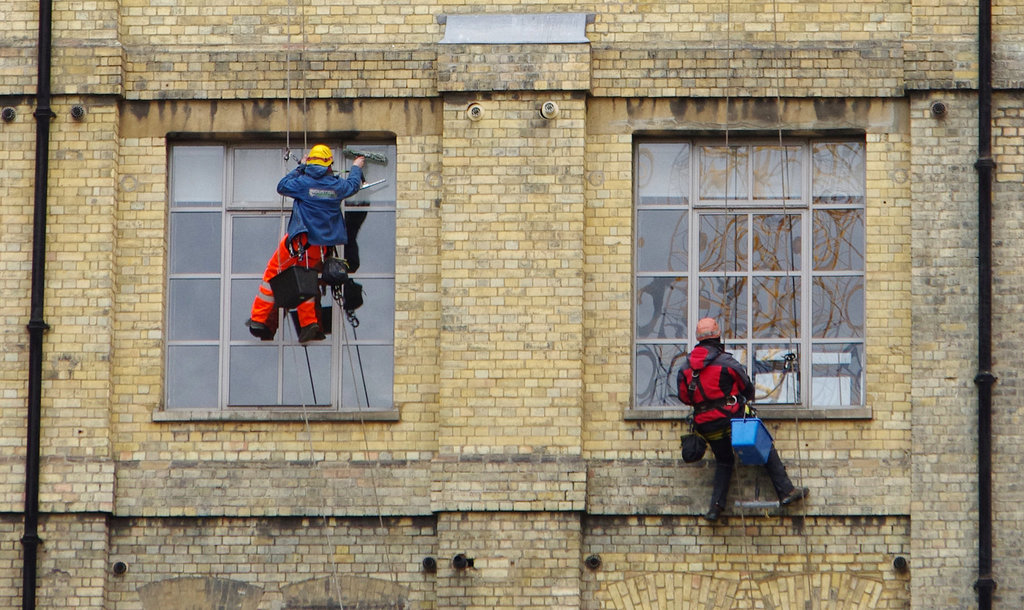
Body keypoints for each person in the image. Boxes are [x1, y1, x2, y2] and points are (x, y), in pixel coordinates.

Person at [677, 317, 808, 522]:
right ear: (718, 335)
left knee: (724, 459)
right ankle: (785, 491)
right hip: (731, 420)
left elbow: (685, 397)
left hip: (705, 426)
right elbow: (747, 387)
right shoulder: (726, 362)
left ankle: (715, 508)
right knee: (763, 445)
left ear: (698, 338)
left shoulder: (686, 366)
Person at [246, 144, 365, 343]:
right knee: (306, 282)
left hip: (298, 243)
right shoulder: (336, 187)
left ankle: (259, 319)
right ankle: (309, 323)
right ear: (329, 165)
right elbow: (353, 186)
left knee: (272, 273)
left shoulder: (302, 183)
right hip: (319, 247)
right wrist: (357, 166)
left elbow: (282, 185)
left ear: (310, 162)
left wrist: (300, 166)